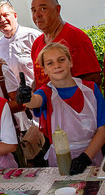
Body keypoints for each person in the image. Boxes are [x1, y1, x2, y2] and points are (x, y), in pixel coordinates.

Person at [17, 43, 105, 175]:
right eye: (50, 63)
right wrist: (26, 98)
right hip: (61, 161)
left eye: (61, 59)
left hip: (93, 157)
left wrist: (85, 158)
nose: (57, 65)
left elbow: (102, 130)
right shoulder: (46, 93)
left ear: (70, 62)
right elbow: (35, 101)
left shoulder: (91, 90)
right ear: (44, 69)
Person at [31, 0, 102, 90]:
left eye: (43, 9)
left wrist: (61, 95)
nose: (37, 15)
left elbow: (94, 79)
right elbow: (39, 78)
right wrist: (31, 95)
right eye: (34, 11)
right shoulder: (36, 43)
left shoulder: (76, 37)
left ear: (57, 10)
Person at [0, 0, 41, 85]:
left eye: (5, 15)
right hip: (15, 96)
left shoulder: (33, 36)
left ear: (15, 16)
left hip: (38, 93)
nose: (2, 20)